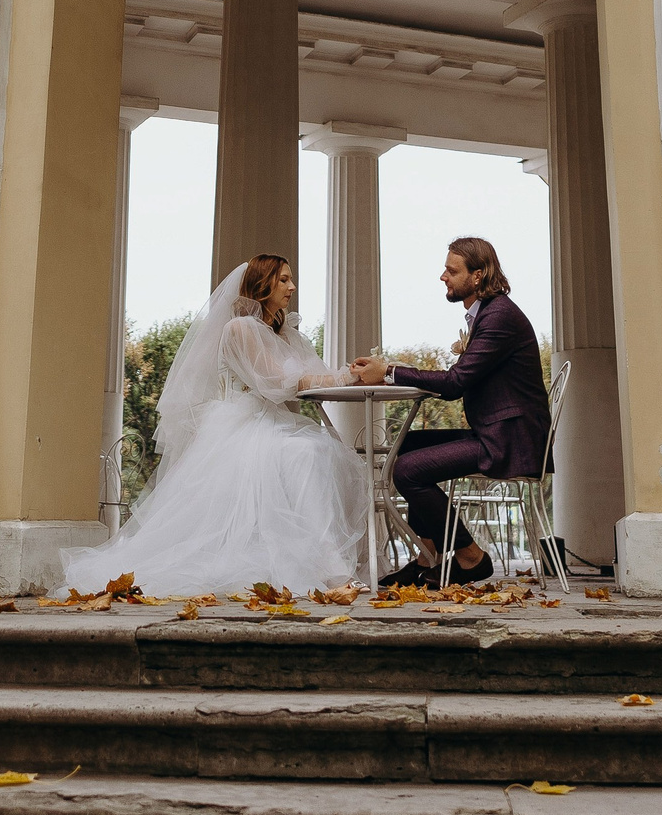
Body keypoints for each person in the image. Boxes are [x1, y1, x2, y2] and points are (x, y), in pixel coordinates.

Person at [60, 253, 366, 595]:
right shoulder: (241, 328)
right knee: (307, 452)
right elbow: (276, 381)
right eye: (283, 279)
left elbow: (316, 374)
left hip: (274, 422)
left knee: (316, 450)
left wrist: (356, 374)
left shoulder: (285, 333)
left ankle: (327, 564)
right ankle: (331, 570)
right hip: (242, 422)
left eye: (290, 279)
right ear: (262, 283)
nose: (292, 287)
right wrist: (344, 377)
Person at [349, 236, 551, 587]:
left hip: (511, 440)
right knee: (407, 445)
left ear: (477, 275)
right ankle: (428, 557)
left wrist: (390, 372)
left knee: (408, 470)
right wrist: (390, 371)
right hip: (495, 432)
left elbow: (455, 383)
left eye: (451, 271)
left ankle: (471, 557)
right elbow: (458, 380)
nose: (443, 276)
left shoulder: (499, 316)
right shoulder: (487, 313)